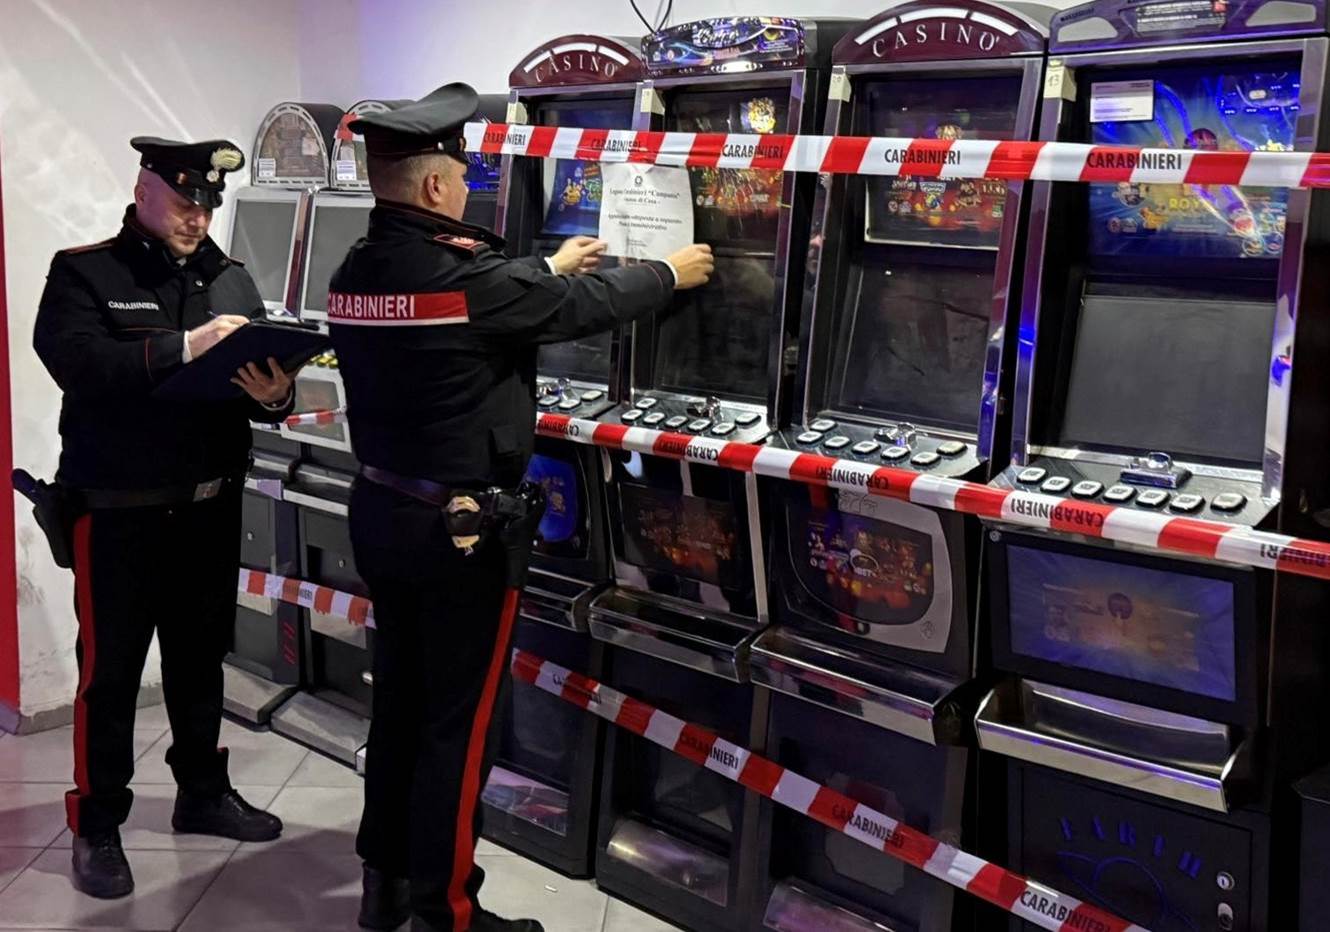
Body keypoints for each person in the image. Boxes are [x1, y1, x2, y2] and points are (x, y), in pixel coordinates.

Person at [328, 83, 713, 932]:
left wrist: (547, 265)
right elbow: (580, 308)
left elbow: (484, 301)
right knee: (457, 727)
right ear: (436, 185)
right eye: (461, 175)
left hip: (383, 511)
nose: (466, 187)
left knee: (399, 707)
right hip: (461, 534)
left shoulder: (358, 270)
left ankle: (384, 891)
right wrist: (668, 272)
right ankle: (447, 913)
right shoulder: (467, 278)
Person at [32, 137, 296, 899]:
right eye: (184, 201)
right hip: (118, 515)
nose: (197, 217)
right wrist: (184, 346)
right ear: (144, 190)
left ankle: (202, 793)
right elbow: (79, 364)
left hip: (209, 507)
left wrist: (275, 394)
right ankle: (97, 824)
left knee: (200, 663)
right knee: (110, 676)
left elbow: (261, 390)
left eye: (208, 204)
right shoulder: (85, 272)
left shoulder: (231, 277)